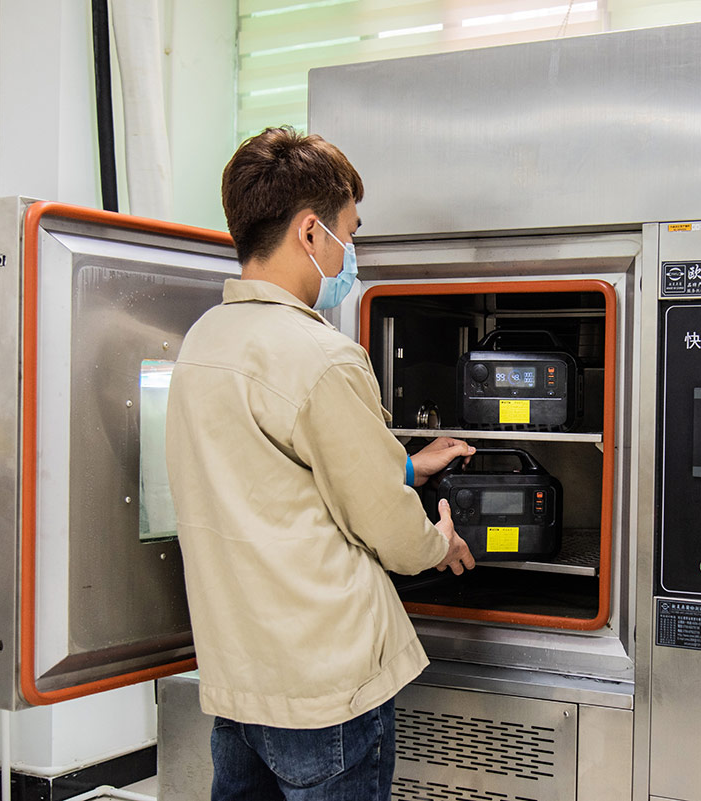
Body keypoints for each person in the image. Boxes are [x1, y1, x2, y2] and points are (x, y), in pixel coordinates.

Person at [164, 126, 476, 801]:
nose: (349, 253)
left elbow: (275, 482)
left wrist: (406, 467)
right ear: (311, 232)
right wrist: (438, 540)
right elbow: (388, 527)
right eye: (349, 233)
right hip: (324, 687)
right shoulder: (320, 355)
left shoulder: (202, 343)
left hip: (240, 680)